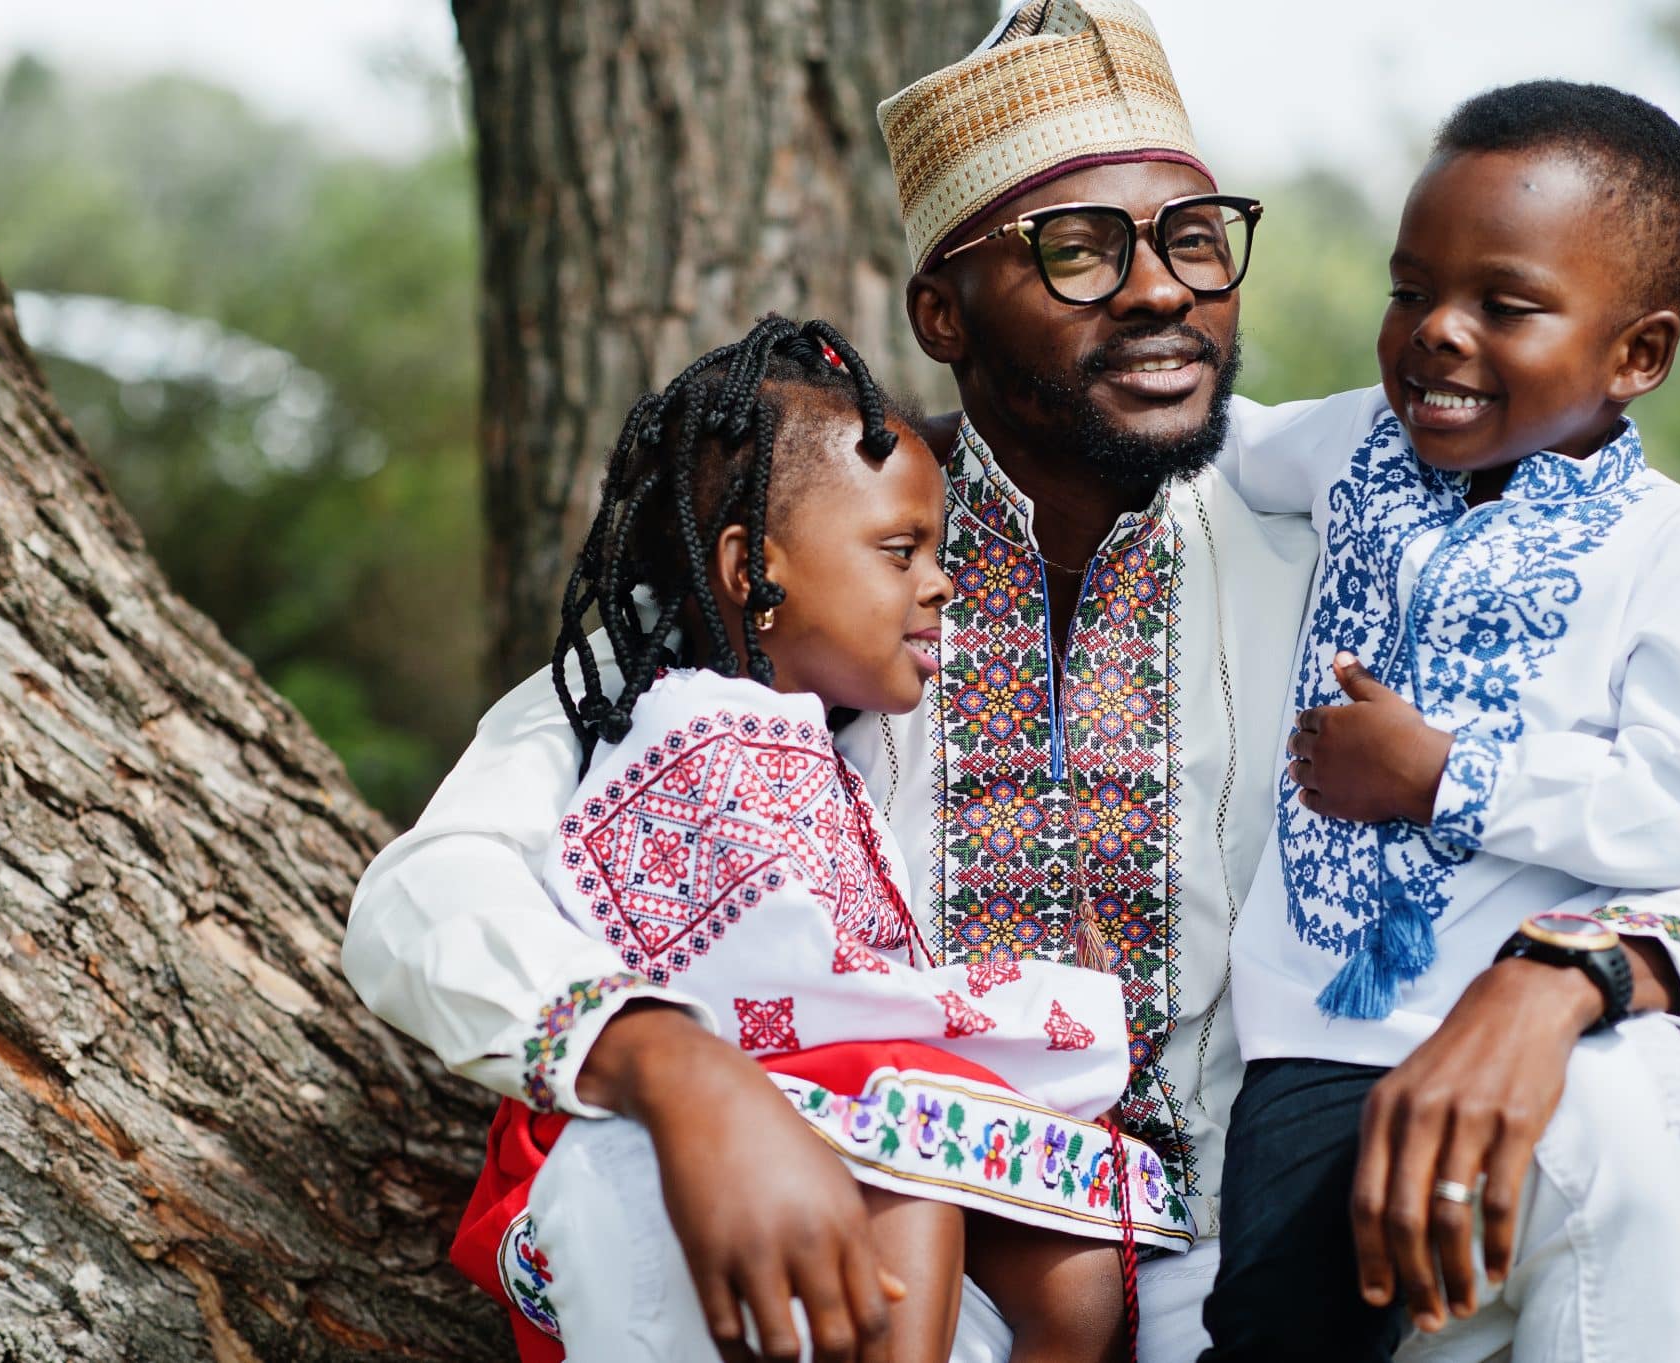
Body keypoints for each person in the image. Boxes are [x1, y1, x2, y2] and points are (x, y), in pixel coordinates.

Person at [343, 4, 1680, 1360]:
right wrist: (665, 1063)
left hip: (1265, 1244)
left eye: (1195, 240)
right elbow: (436, 885)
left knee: (1630, 1111)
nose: (1161, 294)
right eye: (1079, 248)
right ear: (946, 313)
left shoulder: (1342, 526)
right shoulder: (818, 551)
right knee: (623, 1175)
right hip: (919, 1253)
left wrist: (1566, 977)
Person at [452, 313, 1176, 1362]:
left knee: (1072, 1280)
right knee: (913, 1185)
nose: (939, 583)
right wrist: (1038, 1005)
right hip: (669, 1114)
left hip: (830, 1084)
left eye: (938, 552)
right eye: (899, 552)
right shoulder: (684, 738)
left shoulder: (801, 739)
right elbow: (777, 988)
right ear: (754, 570)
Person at [1200, 81, 1680, 1362]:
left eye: (1503, 306)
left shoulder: (1676, 548)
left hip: (1555, 1047)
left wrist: (1442, 774)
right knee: (1274, 1327)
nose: (1436, 333)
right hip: (1313, 1050)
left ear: (1637, 353)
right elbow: (1207, 439)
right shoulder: (1349, 447)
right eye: (1409, 291)